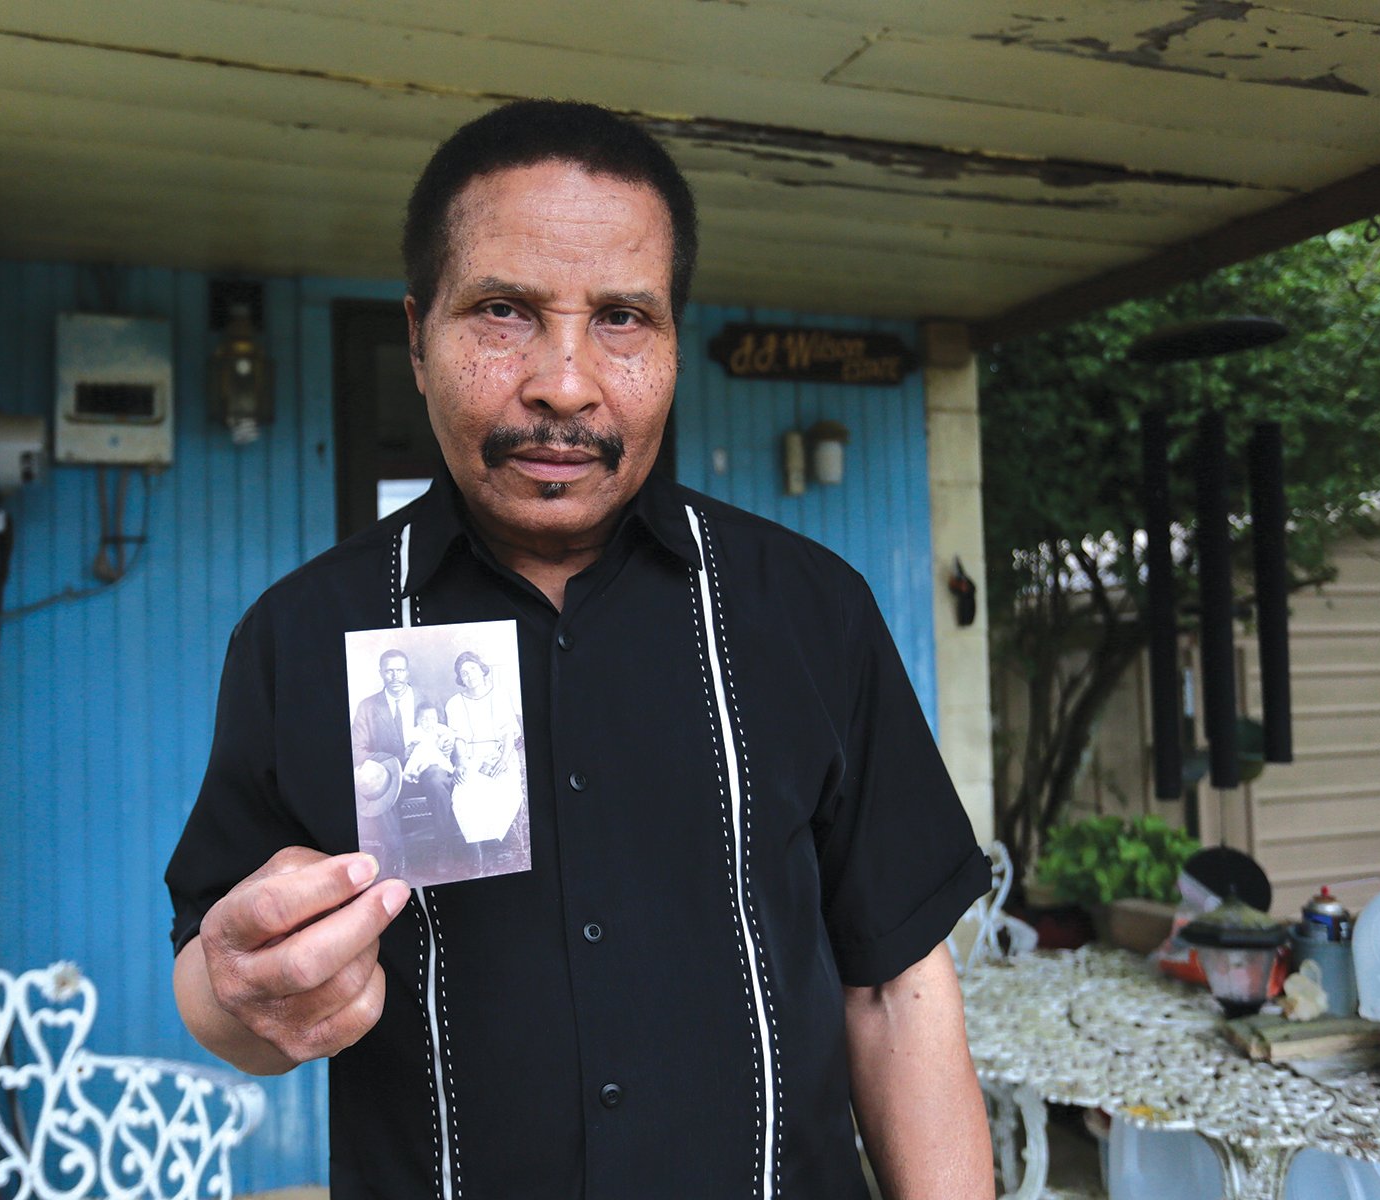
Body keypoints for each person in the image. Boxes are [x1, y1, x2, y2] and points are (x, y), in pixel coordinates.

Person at [166, 99, 995, 1199]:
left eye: (620, 319)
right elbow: (224, 993)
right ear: (417, 339)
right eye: (504, 312)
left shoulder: (810, 612)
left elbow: (897, 990)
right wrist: (248, 991)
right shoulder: (301, 636)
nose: (564, 382)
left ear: (670, 343)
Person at [348, 649, 455, 843]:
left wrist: (447, 743)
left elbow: (445, 731)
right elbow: (356, 750)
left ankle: (445, 848)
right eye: (389, 671)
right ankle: (396, 858)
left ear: (408, 672)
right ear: (380, 672)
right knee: (380, 788)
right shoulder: (367, 706)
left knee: (437, 778)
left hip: (426, 767)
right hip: (389, 773)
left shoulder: (428, 697)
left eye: (400, 670)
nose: (395, 676)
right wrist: (394, 761)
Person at [442, 651, 526, 848]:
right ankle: (477, 849)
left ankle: (498, 844)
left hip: (501, 752)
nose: (469, 675)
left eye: (472, 669)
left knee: (503, 790)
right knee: (465, 793)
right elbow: (459, 738)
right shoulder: (454, 703)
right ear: (460, 679)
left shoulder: (500, 694)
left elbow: (508, 734)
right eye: (464, 673)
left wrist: (503, 760)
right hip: (470, 756)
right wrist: (461, 762)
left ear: (482, 670)